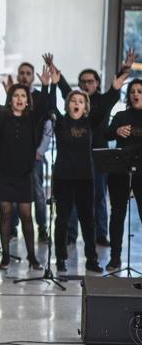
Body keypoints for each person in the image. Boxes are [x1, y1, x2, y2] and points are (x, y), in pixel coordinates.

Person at [49, 50, 138, 246]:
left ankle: (100, 235)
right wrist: (55, 72)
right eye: (83, 81)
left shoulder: (102, 101)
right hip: (76, 156)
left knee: (98, 198)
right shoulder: (76, 100)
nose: (86, 84)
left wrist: (125, 69)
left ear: (97, 83)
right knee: (72, 201)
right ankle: (71, 236)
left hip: (100, 155)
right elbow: (63, 87)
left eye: (90, 81)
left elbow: (115, 89)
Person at [0, 65, 47, 270]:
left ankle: (33, 257)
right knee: (6, 213)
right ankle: (6, 256)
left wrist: (45, 86)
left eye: (23, 96)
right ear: (10, 99)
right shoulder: (2, 116)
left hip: (24, 174)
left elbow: (44, 106)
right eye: (16, 95)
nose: (19, 99)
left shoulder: (32, 118)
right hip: (3, 173)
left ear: (28, 100)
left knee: (27, 215)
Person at [105, 78, 142, 271]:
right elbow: (106, 134)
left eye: (140, 91)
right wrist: (117, 130)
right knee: (117, 215)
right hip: (120, 170)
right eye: (133, 91)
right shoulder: (120, 115)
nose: (136, 94)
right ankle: (115, 257)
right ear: (128, 96)